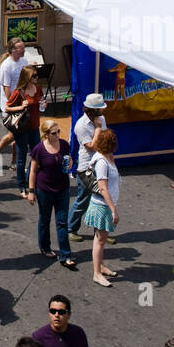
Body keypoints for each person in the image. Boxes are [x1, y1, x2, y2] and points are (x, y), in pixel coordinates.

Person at [28, 118, 77, 269]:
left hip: (62, 188)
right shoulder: (39, 149)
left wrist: (71, 163)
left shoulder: (64, 145)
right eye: (54, 133)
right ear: (46, 134)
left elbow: (71, 160)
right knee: (45, 220)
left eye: (58, 132)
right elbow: (33, 171)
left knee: (62, 222)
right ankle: (45, 247)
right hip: (44, 190)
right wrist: (31, 191)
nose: (57, 135)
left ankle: (65, 254)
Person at [68, 93, 111, 241]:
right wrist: (98, 128)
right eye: (100, 109)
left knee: (102, 200)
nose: (103, 112)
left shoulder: (101, 119)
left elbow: (104, 140)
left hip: (101, 164)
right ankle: (71, 228)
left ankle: (100, 232)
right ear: (93, 110)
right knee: (83, 201)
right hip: (86, 168)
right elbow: (92, 146)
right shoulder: (81, 125)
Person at [83, 128, 120, 286]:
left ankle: (101, 266)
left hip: (104, 205)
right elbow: (103, 187)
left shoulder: (107, 157)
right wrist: (113, 209)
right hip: (102, 206)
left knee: (102, 239)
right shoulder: (102, 163)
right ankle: (97, 273)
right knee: (99, 240)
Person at [6, 67, 42, 196]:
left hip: (35, 126)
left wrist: (43, 105)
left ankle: (29, 179)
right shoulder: (19, 92)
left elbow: (41, 101)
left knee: (36, 155)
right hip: (22, 128)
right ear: (27, 77)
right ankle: (22, 185)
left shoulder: (38, 88)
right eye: (34, 76)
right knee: (21, 158)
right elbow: (7, 108)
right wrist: (21, 106)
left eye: (37, 76)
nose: (37, 78)